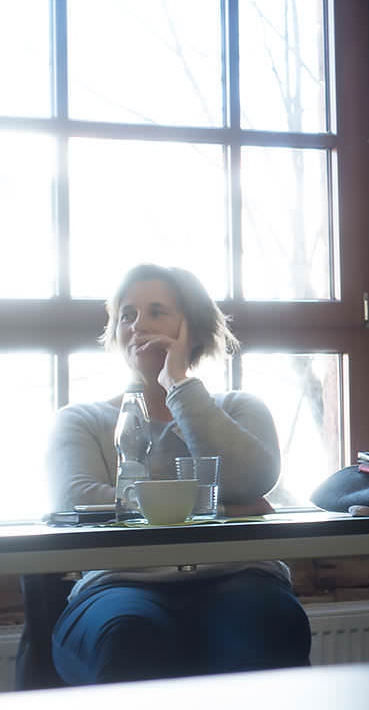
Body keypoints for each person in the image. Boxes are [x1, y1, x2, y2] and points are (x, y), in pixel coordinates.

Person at [45, 264, 309, 684]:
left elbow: (253, 478)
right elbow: (78, 501)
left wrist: (178, 382)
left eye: (156, 311)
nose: (138, 325)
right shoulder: (80, 420)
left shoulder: (240, 408)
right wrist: (218, 505)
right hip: (117, 584)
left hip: (240, 576)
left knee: (266, 629)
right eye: (127, 315)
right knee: (129, 638)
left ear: (193, 329)